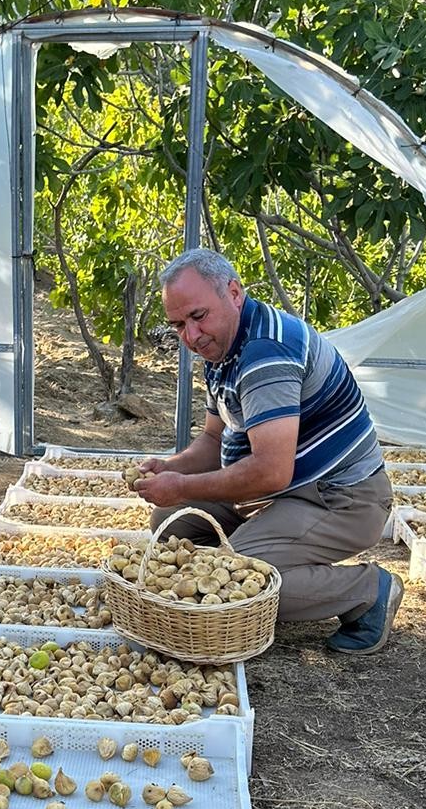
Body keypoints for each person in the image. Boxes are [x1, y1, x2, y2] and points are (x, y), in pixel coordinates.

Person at [133, 247, 401, 654]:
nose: (190, 336)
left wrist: (183, 484)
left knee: (239, 580)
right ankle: (265, 550)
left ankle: (366, 589)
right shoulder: (224, 348)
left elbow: (271, 471)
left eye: (198, 316)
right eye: (178, 325)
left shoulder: (265, 351)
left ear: (235, 293)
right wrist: (169, 469)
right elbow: (211, 441)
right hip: (279, 494)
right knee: (170, 523)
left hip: (340, 499)